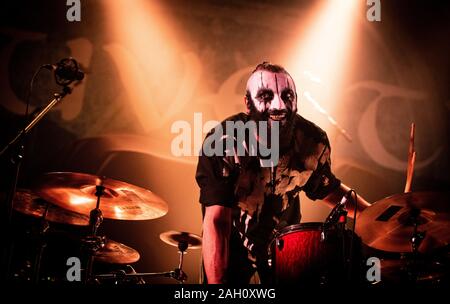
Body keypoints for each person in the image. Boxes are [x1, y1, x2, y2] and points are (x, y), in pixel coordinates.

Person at [196, 62, 370, 284]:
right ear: (248, 103)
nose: (279, 105)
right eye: (266, 96)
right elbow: (217, 222)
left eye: (287, 96)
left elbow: (327, 188)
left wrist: (379, 218)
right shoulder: (222, 141)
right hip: (232, 240)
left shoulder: (312, 141)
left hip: (283, 243)